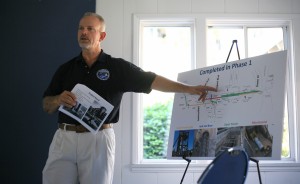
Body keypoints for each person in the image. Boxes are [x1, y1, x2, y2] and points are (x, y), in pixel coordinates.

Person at [42, 12, 217, 184]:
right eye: (81, 28)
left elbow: (152, 80)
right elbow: (46, 105)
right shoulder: (65, 69)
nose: (84, 32)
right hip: (64, 138)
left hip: (98, 140)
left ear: (102, 35)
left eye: (90, 29)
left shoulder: (117, 67)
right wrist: (58, 100)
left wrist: (189, 89)